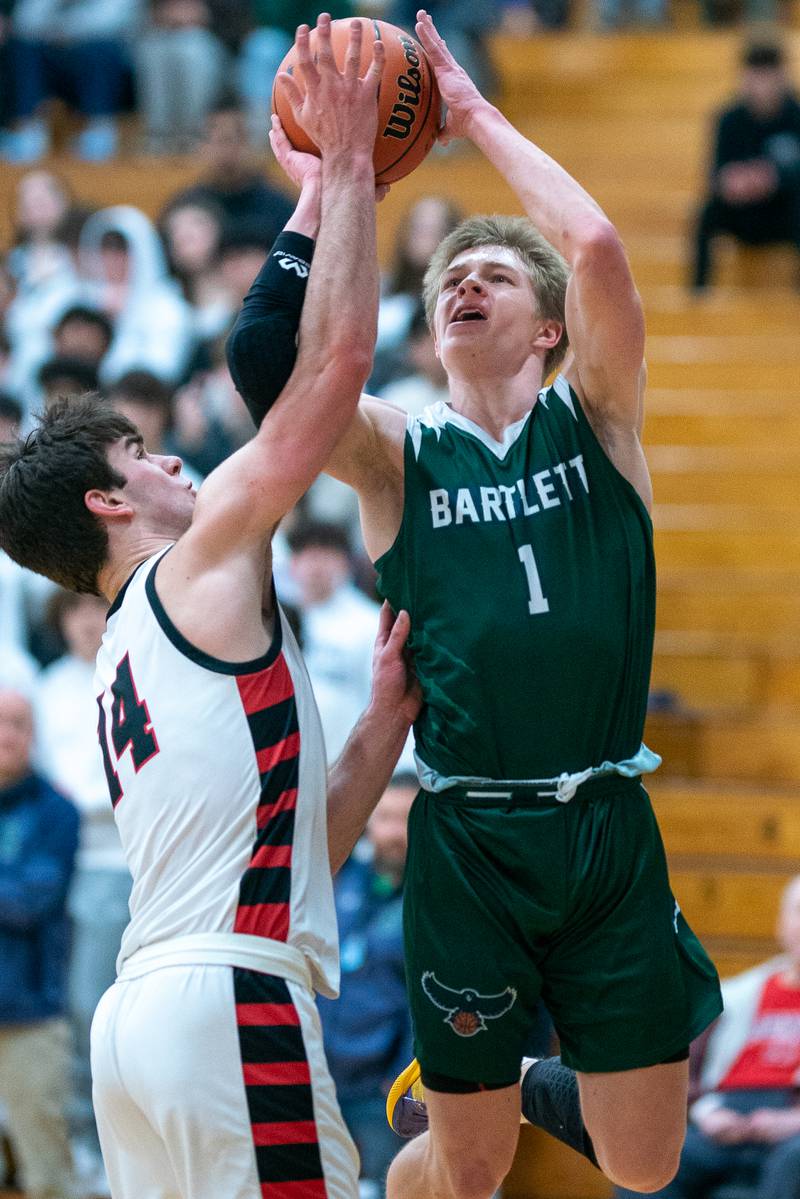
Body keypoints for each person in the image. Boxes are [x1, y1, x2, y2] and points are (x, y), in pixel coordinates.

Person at [227, 11, 723, 1198]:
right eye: (447, 275)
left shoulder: (594, 419)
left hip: (604, 822)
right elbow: (267, 371)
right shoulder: (400, 452)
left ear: (544, 328)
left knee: (649, 1162)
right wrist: (337, 183)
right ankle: (459, 1130)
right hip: (467, 836)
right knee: (470, 1167)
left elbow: (595, 244)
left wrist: (469, 112)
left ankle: (547, 1080)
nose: (460, 281)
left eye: (490, 273)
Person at [0, 18, 420, 1199]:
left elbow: (292, 858)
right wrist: (342, 170)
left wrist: (379, 727)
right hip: (227, 997)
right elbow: (327, 371)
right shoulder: (199, 561)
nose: (176, 463)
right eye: (143, 452)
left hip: (142, 1015)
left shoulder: (119, 657)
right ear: (104, 498)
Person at [616, 876, 800, 1199]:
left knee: (793, 1161)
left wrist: (793, 1121)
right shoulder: (736, 995)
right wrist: (707, 1112)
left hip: (790, 1126)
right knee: (643, 1165)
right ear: (781, 924)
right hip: (725, 1114)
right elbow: (684, 1071)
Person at [36, 590, 127, 1195]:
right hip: (74, 863)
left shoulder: (135, 665)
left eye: (95, 607)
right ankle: (85, 1144)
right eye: (73, 611)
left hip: (145, 861)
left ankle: (129, 1147)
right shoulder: (47, 689)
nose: (86, 621)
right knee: (84, 1008)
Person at [0, 678, 81, 1199]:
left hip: (29, 1014)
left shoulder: (57, 810)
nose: (6, 735)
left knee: (45, 1175)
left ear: (35, 735)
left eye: (18, 724)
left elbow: (31, 904)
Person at [318, 772, 417, 1195]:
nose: (393, 832)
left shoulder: (434, 898)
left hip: (386, 1091)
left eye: (405, 819)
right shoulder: (341, 880)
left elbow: (427, 1001)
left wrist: (402, 1078)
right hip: (324, 1082)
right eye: (384, 818)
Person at [690, 40, 800, 291]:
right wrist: (732, 182)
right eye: (755, 76)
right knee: (708, 213)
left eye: (767, 76)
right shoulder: (729, 119)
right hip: (744, 212)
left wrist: (774, 179)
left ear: (781, 77)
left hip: (784, 213)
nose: (762, 85)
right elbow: (716, 173)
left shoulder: (796, 115)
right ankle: (697, 293)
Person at [288, 520, 381, 761]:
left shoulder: (369, 622)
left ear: (346, 563)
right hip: (291, 759)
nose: (316, 567)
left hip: (348, 759)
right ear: (293, 563)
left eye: (326, 556)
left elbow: (379, 699)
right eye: (308, 556)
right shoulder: (274, 617)